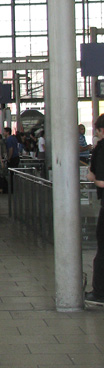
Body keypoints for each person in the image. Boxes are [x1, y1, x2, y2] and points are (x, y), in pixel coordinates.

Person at [85, 114, 104, 305]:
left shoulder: (101, 149)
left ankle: (99, 293)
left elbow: (101, 181)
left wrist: (91, 176)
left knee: (102, 250)